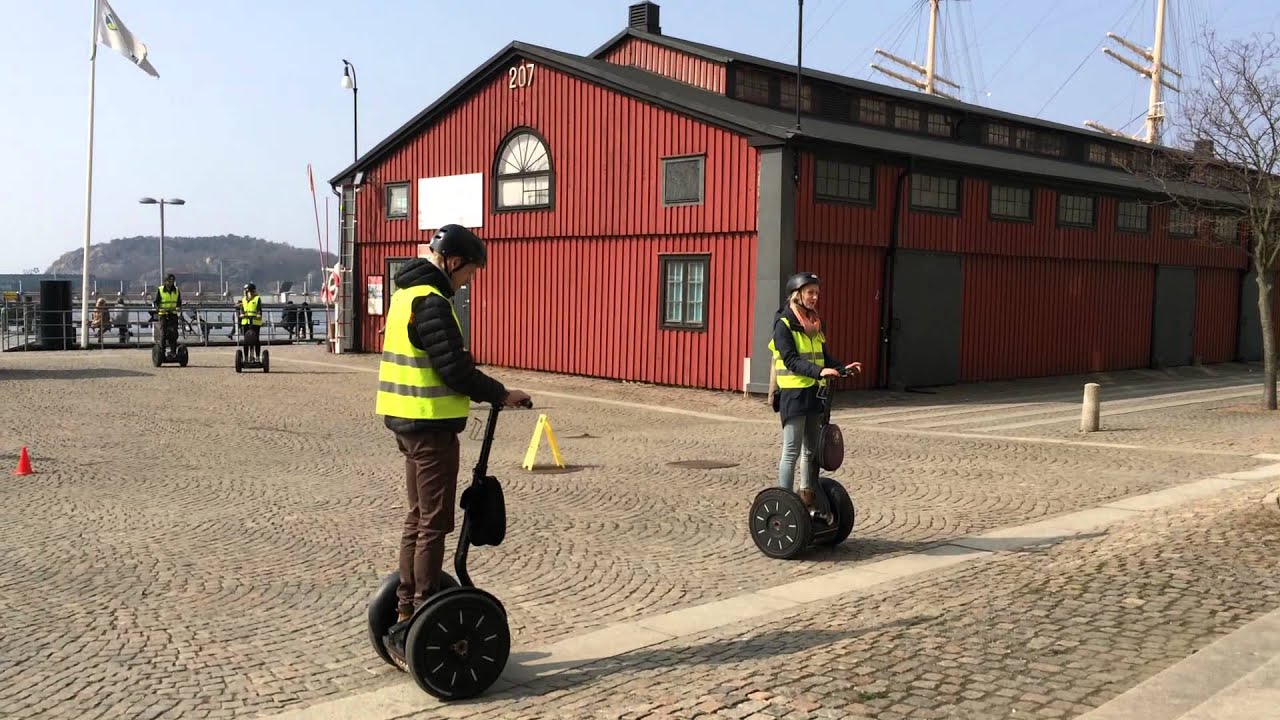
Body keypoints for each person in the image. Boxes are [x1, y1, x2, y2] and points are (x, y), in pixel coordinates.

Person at [375, 224, 531, 635]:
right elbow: (454, 369)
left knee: (417, 517)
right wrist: (500, 392)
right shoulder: (430, 301)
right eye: (471, 273)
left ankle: (407, 606)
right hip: (429, 426)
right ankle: (424, 609)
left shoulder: (405, 294)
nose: (470, 282)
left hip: (406, 422)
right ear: (454, 262)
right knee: (434, 523)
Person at [767, 272, 862, 514]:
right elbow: (790, 360)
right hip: (794, 395)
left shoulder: (814, 323)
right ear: (797, 295)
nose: (815, 297)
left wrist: (841, 368)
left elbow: (824, 357)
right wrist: (820, 371)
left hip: (814, 394)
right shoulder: (784, 324)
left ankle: (807, 499)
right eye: (810, 292)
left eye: (817, 292)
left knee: (811, 450)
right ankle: (785, 502)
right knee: (791, 450)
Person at [153, 274, 182, 356]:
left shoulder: (176, 290)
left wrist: (179, 307)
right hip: (163, 314)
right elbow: (156, 302)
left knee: (174, 333)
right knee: (163, 333)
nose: (171, 283)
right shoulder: (160, 290)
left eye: (172, 281)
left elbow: (179, 302)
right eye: (169, 281)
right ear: (165, 282)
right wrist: (158, 308)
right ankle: (162, 351)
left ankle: (173, 351)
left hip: (173, 314)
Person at [237, 283, 263, 360]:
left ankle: (257, 357)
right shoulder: (243, 299)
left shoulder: (257, 298)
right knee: (246, 341)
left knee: (256, 340)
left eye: (248, 291)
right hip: (246, 321)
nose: (247, 292)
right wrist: (241, 314)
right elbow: (242, 308)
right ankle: (246, 357)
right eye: (246, 291)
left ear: (252, 291)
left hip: (255, 322)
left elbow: (259, 309)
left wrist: (259, 315)